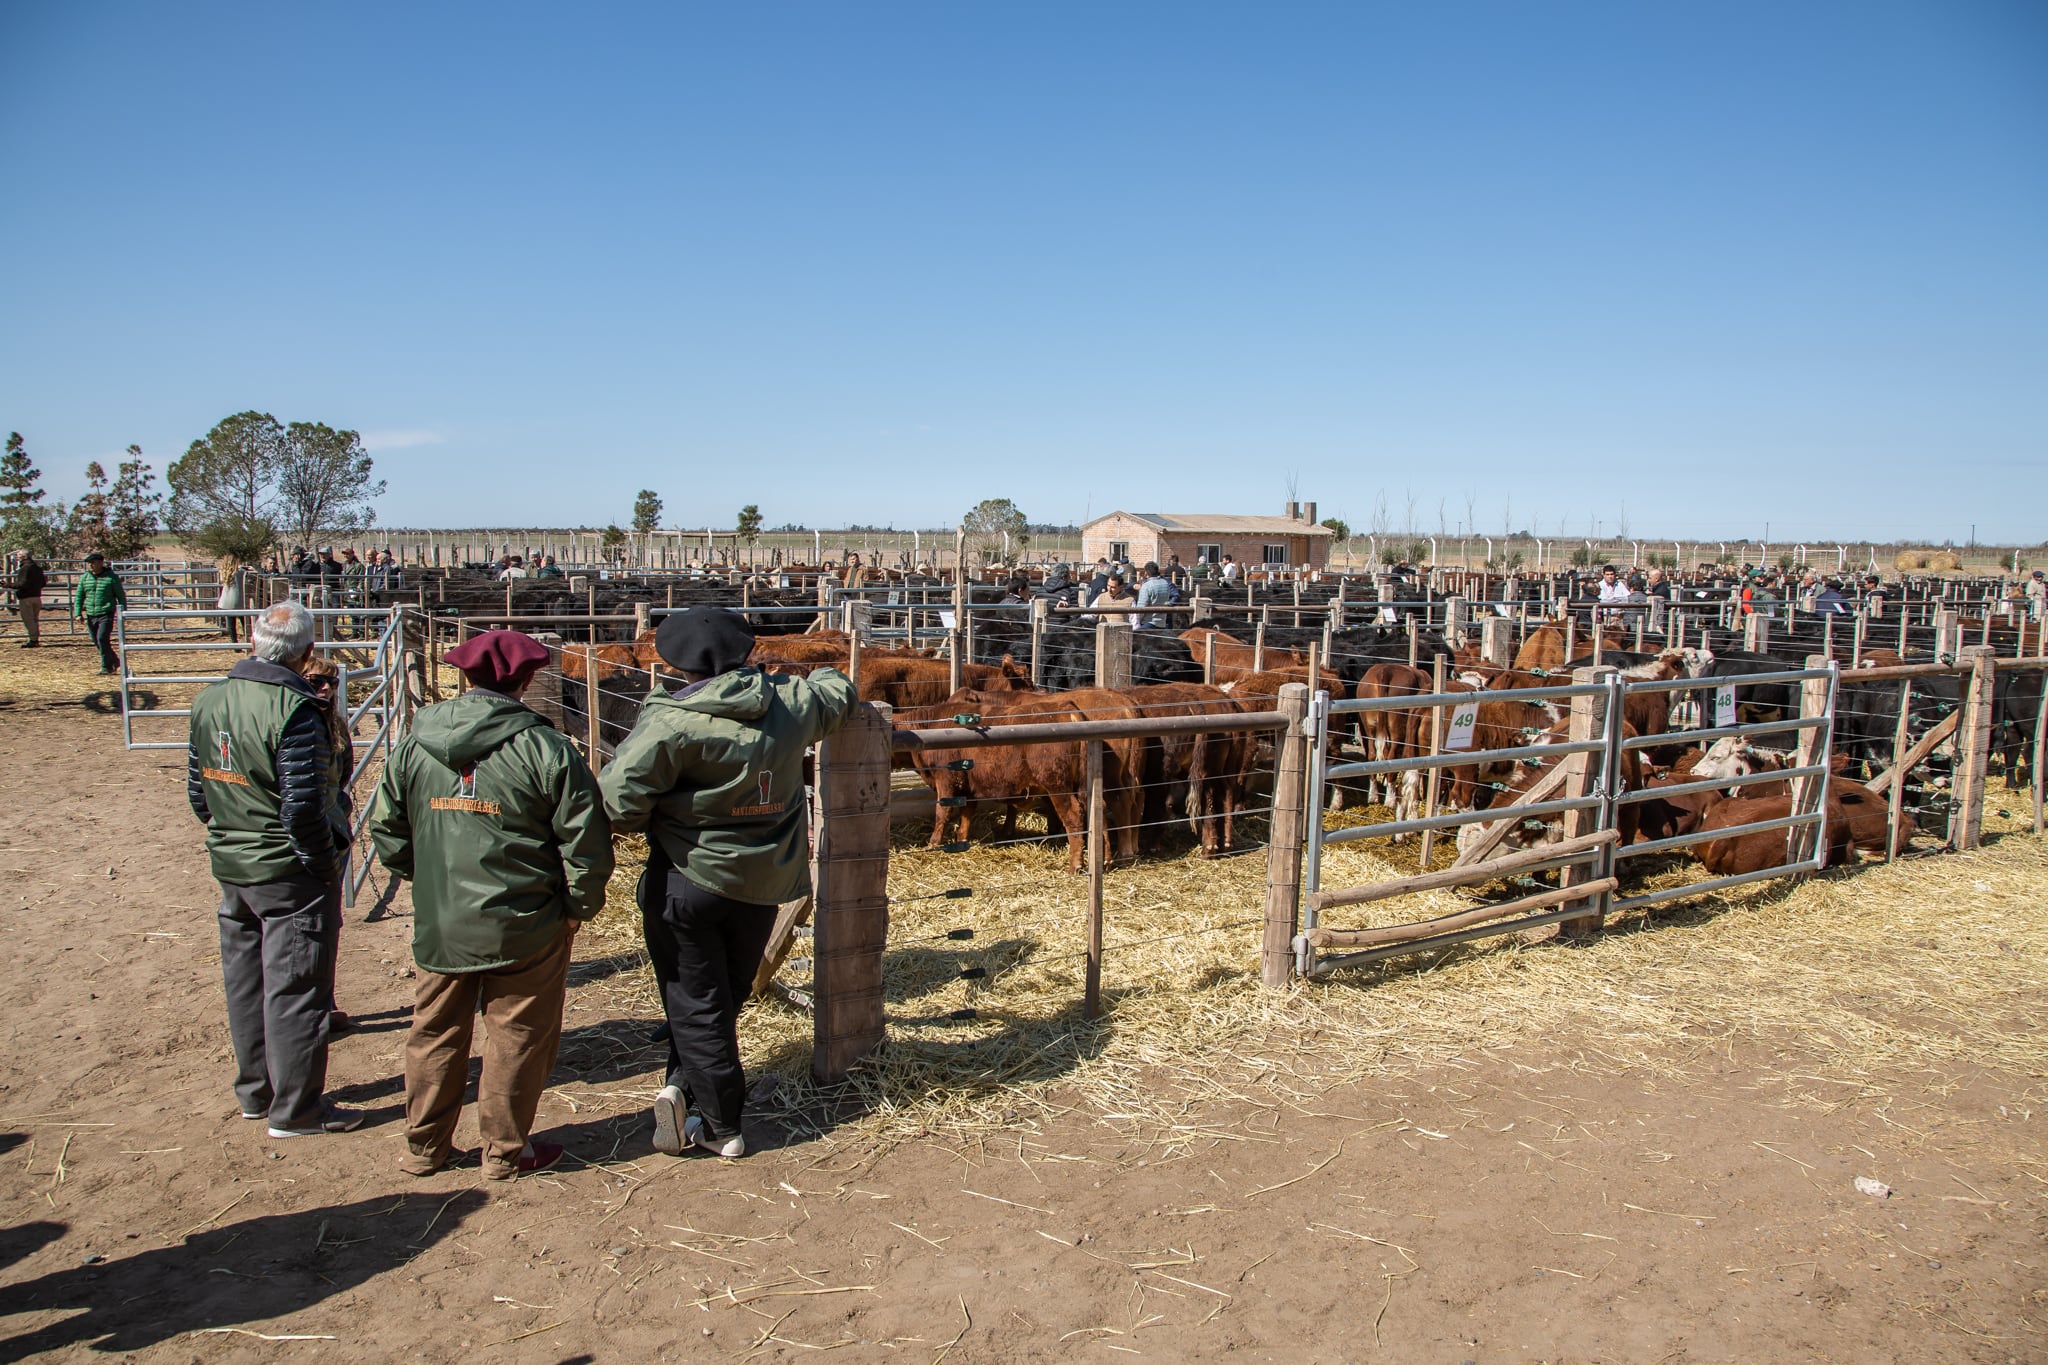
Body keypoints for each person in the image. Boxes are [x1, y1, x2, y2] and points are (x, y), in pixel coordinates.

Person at [601, 607, 856, 1159]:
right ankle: (681, 1088)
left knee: (695, 998)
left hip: (688, 874)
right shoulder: (790, 703)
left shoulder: (671, 721)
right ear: (745, 652)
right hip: (761, 881)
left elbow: (617, 803)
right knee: (727, 992)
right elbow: (839, 687)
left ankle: (720, 1124)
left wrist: (666, 812)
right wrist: (791, 665)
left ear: (675, 662)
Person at [371, 630, 614, 1179]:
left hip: (444, 920)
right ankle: (504, 1152)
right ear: (527, 681)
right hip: (525, 920)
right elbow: (586, 839)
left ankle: (423, 1147)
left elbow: (386, 825)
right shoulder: (545, 748)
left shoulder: (415, 742)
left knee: (433, 1029)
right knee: (517, 1034)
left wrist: (426, 878)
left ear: (464, 676)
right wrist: (579, 904)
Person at [186, 600, 361, 1138]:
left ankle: (255, 1092)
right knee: (297, 984)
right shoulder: (296, 709)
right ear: (307, 652)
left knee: (246, 979)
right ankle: (296, 1109)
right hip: (287, 869)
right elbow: (304, 805)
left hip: (233, 861)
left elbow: (199, 790)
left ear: (253, 643)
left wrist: (230, 833)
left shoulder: (210, 700)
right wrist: (322, 862)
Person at [298, 653, 356, 1031]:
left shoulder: (336, 724)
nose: (325, 688)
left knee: (327, 922)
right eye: (315, 680)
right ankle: (307, 1009)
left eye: (331, 683)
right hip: (310, 836)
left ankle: (324, 999)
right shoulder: (298, 724)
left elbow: (345, 772)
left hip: (332, 833)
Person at [73, 551, 126, 674]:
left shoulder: (111, 577)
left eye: (94, 562)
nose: (91, 565)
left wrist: (123, 612)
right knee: (97, 640)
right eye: (89, 563)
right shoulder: (85, 578)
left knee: (102, 638)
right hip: (91, 613)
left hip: (106, 612)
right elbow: (79, 596)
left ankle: (106, 667)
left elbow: (120, 595)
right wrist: (77, 613)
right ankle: (114, 660)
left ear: (101, 563)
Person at [11, 549, 46, 647]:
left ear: (24, 557)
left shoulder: (25, 568)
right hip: (37, 597)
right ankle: (35, 639)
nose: (17, 558)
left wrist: (9, 585)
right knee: (34, 619)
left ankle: (33, 640)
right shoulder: (37, 568)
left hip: (26, 598)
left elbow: (22, 584)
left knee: (29, 620)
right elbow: (43, 583)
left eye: (19, 556)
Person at [1135, 561, 1175, 628]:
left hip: (1148, 622)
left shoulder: (1146, 586)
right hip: (1162, 623)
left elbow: (1141, 608)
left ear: (1146, 573)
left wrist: (1137, 622)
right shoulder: (1165, 584)